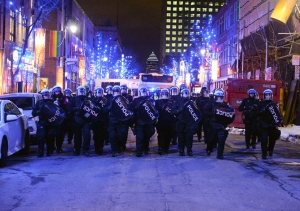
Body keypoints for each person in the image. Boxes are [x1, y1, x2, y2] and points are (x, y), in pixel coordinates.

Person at [204, 88, 235, 159]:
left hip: (221, 125)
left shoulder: (225, 105)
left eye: (220, 97)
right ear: (215, 97)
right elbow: (204, 112)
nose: (219, 99)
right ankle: (209, 149)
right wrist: (212, 114)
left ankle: (220, 154)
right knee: (210, 140)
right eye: (217, 97)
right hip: (212, 124)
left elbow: (229, 114)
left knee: (221, 140)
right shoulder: (210, 103)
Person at [256, 89, 282, 159]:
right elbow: (256, 112)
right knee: (264, 140)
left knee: (272, 140)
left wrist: (277, 123)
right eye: (266, 95)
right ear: (264, 96)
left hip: (272, 125)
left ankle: (270, 150)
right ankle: (264, 154)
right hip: (263, 125)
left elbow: (278, 114)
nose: (267, 96)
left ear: (271, 96)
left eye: (269, 95)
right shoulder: (261, 103)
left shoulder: (274, 104)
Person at [132, 87, 157, 157]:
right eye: (142, 92)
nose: (144, 93)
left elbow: (154, 109)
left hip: (148, 121)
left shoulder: (150, 100)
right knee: (140, 136)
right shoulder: (136, 100)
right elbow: (133, 109)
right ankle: (139, 151)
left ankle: (145, 148)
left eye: (145, 92)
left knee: (147, 135)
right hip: (139, 121)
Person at [108, 85, 132, 157]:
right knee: (112, 136)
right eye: (115, 92)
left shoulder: (124, 99)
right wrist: (110, 106)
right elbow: (104, 109)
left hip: (122, 120)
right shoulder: (109, 99)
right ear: (113, 93)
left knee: (121, 136)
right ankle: (114, 150)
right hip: (112, 120)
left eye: (117, 92)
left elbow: (129, 108)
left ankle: (120, 146)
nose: (116, 94)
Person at [173, 88, 198, 156]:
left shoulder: (192, 102)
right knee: (181, 138)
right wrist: (180, 110)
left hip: (189, 123)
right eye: (185, 94)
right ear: (181, 94)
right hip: (180, 122)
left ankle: (189, 150)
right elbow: (172, 112)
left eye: (187, 94)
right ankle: (181, 150)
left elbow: (197, 112)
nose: (186, 95)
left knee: (189, 137)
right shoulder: (178, 102)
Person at [67, 86, 92, 156]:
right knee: (77, 135)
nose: (81, 92)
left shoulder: (88, 99)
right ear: (77, 92)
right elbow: (69, 108)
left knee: (87, 134)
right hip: (77, 118)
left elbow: (92, 108)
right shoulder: (73, 99)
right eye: (80, 91)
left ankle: (86, 149)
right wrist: (79, 108)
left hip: (86, 119)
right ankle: (77, 149)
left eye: (82, 91)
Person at [32, 89, 56, 157]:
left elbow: (57, 111)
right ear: (42, 96)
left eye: (47, 95)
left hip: (51, 122)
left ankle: (49, 151)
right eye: (45, 95)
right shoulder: (39, 103)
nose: (46, 96)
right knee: (41, 138)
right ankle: (40, 152)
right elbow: (34, 113)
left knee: (50, 137)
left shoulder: (52, 102)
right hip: (42, 122)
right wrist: (40, 111)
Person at [155, 89, 175, 155]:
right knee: (161, 135)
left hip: (169, 121)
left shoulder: (171, 102)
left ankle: (166, 148)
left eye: (165, 94)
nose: (164, 95)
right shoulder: (157, 102)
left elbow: (173, 112)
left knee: (168, 135)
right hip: (161, 121)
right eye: (163, 94)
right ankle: (160, 148)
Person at [91, 87, 109, 155]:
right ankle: (96, 147)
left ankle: (101, 147)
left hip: (102, 119)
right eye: (98, 93)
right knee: (95, 134)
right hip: (95, 120)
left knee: (102, 134)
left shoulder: (105, 100)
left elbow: (106, 109)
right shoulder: (93, 99)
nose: (99, 94)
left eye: (100, 93)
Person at [51, 85, 65, 153]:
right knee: (51, 133)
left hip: (60, 118)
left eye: (58, 91)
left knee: (60, 134)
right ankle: (52, 146)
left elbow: (66, 106)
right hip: (52, 118)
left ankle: (59, 147)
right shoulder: (51, 99)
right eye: (56, 91)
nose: (57, 92)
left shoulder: (63, 98)